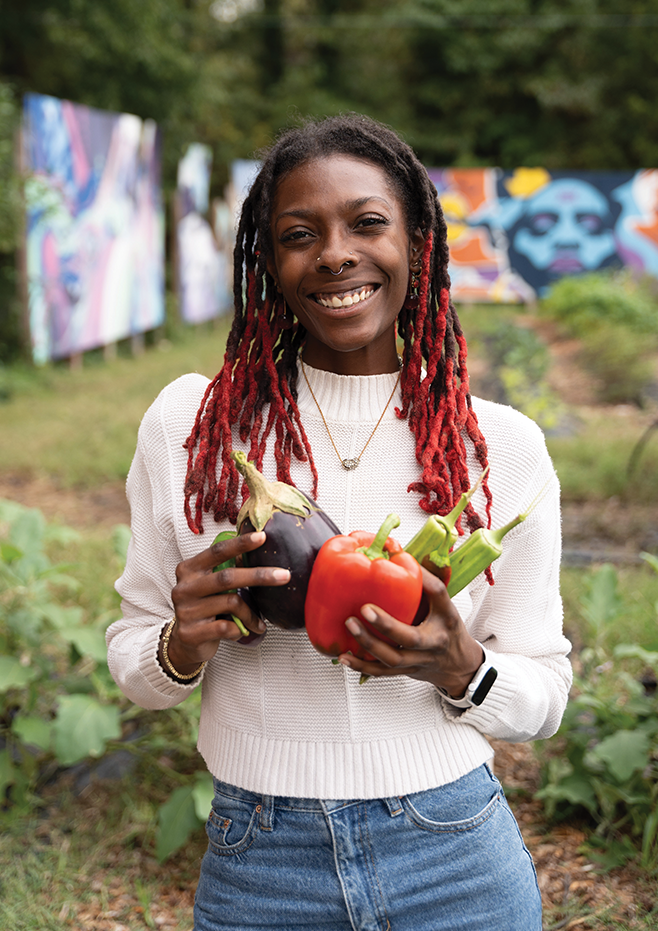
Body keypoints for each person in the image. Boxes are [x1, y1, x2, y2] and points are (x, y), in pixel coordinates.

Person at [107, 113, 572, 931]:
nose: (334, 253)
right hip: (262, 859)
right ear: (267, 261)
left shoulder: (497, 446)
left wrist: (463, 667)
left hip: (453, 851)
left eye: (367, 223)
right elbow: (134, 665)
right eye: (297, 233)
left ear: (418, 243)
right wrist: (180, 643)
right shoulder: (197, 427)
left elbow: (545, 694)